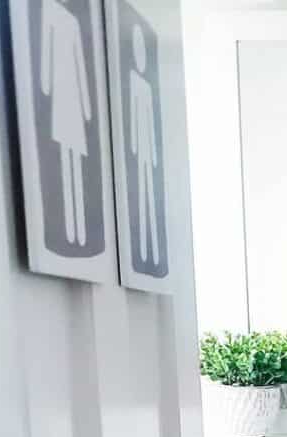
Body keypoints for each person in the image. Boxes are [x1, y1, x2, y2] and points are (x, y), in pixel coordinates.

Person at [40, 0, 92, 247]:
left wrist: (87, 107)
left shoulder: (71, 21)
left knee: (74, 163)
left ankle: (79, 230)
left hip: (68, 97)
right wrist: (45, 88)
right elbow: (47, 55)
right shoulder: (51, 13)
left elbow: (80, 66)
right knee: (64, 159)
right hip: (62, 98)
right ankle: (72, 231)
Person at [129, 23, 159, 265]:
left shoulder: (146, 87)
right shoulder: (136, 84)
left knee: (149, 199)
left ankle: (152, 253)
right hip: (141, 152)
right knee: (143, 199)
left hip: (147, 152)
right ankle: (145, 250)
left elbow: (150, 117)